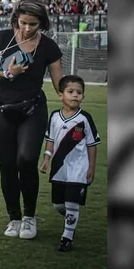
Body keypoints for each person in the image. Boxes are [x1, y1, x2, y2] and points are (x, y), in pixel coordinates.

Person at [0, 0, 63, 240]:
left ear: (42, 23)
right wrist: (8, 73)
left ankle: (29, 216)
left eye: (33, 24)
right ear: (16, 18)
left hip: (32, 110)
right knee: (7, 166)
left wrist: (71, 96)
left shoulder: (48, 47)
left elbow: (61, 85)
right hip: (0, 110)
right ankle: (14, 217)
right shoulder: (2, 39)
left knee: (26, 160)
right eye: (23, 22)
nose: (27, 29)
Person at [39, 75, 101, 252]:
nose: (75, 95)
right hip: (59, 168)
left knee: (72, 202)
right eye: (71, 91)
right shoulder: (54, 117)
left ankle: (67, 237)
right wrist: (46, 159)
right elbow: (50, 140)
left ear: (83, 96)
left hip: (79, 169)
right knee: (59, 204)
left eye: (79, 92)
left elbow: (92, 144)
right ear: (61, 95)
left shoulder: (85, 119)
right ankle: (71, 218)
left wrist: (91, 167)